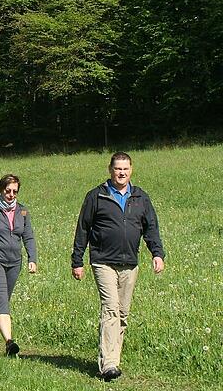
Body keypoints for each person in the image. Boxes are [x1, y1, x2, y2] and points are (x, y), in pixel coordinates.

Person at [71, 152, 165, 382]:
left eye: (125, 169)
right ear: (110, 170)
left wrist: (157, 253)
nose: (121, 173)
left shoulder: (140, 197)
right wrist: (77, 260)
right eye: (117, 169)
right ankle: (108, 364)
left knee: (122, 313)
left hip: (129, 263)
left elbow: (150, 227)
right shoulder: (96, 196)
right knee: (111, 309)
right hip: (103, 261)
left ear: (131, 170)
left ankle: (114, 358)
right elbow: (83, 228)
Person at [0, 174, 38, 356]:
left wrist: (32, 259)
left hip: (14, 262)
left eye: (15, 191)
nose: (11, 194)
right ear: (1, 190)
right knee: (2, 299)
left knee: (1, 300)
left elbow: (28, 236)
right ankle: (9, 342)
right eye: (8, 191)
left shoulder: (22, 211)